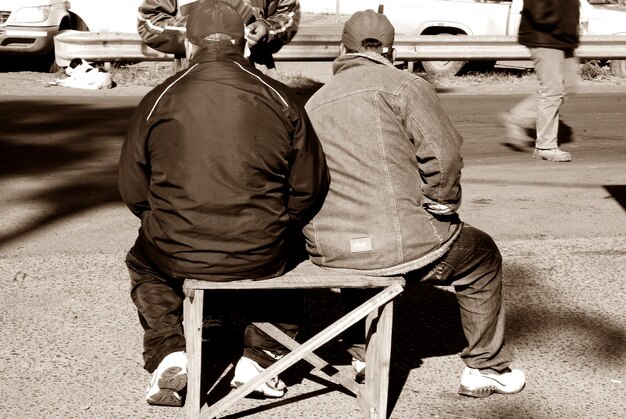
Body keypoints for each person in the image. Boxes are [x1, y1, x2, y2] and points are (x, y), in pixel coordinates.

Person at [303, 9, 526, 398]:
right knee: (482, 256)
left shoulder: (313, 102)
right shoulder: (404, 85)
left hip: (332, 248)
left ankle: (361, 355)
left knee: (363, 251)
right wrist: (443, 203)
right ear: (391, 50)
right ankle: (484, 368)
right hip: (398, 243)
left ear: (343, 48)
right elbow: (443, 157)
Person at [118, 0, 329, 407]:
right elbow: (309, 186)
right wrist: (281, 222)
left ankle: (168, 352)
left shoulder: (159, 98)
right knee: (291, 252)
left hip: (175, 247)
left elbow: (133, 190)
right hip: (260, 250)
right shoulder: (281, 97)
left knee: (143, 263)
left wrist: (167, 220)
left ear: (191, 43)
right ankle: (260, 356)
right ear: (243, 41)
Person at [500, 0, 580, 162]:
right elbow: (538, 11)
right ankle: (545, 146)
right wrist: (562, 26)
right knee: (552, 90)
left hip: (564, 39)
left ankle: (516, 118)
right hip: (546, 38)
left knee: (568, 86)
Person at [137, 0, 300, 71]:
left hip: (255, 79)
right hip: (193, 77)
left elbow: (288, 15)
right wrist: (196, 31)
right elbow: (149, 22)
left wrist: (268, 28)